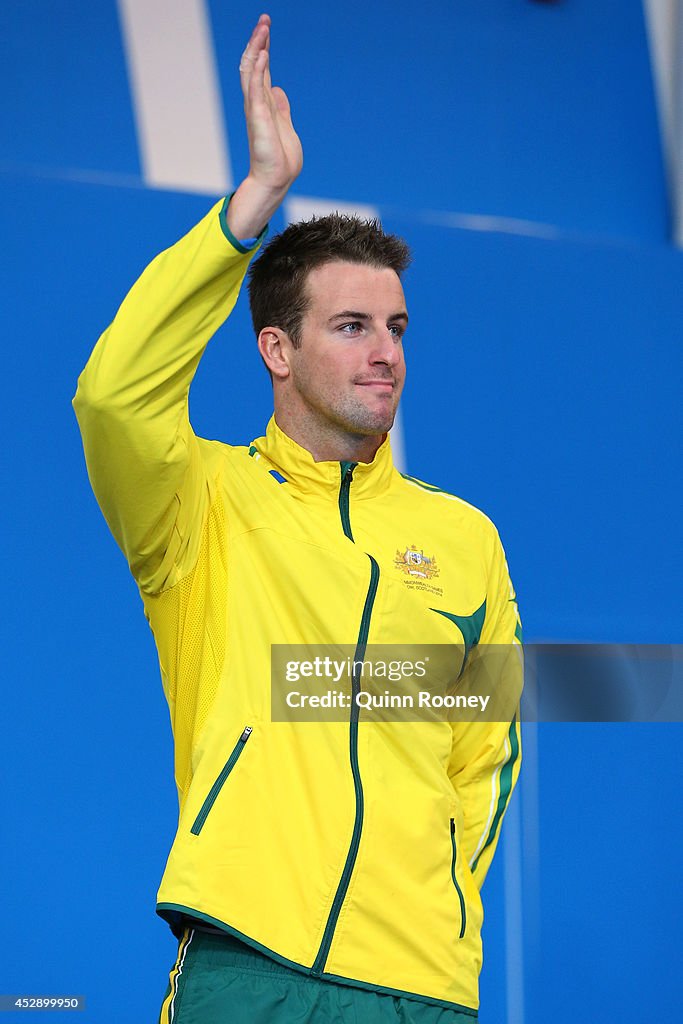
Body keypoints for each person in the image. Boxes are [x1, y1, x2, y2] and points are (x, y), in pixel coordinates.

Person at [73, 13, 522, 1024]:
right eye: (352, 326)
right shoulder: (203, 505)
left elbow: (480, 754)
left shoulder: (466, 541)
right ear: (276, 350)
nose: (384, 354)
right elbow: (113, 397)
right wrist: (251, 209)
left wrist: (441, 907)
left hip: (422, 986)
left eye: (396, 328)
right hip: (248, 965)